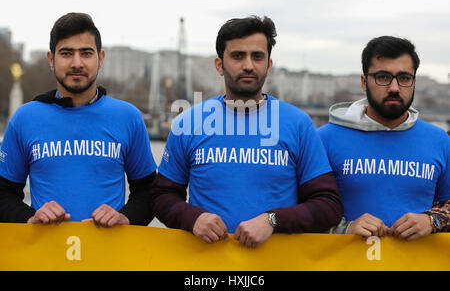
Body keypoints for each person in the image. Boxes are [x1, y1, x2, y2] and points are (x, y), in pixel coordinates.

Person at [151, 16, 343, 248]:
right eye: (237, 55)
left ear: (269, 65)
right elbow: (161, 196)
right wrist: (193, 218)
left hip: (276, 264)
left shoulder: (298, 124)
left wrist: (273, 220)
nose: (249, 65)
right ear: (219, 65)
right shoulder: (188, 123)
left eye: (258, 56)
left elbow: (328, 205)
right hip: (207, 268)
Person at [0, 13, 157, 227]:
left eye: (86, 53)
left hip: (109, 256)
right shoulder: (25, 118)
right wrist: (29, 218)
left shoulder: (128, 117)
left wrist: (125, 218)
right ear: (51, 59)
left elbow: (148, 191)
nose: (77, 63)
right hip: (44, 257)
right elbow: (4, 194)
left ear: (100, 59)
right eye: (66, 53)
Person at [319, 36, 450, 240]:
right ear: (364, 81)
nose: (394, 88)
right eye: (383, 77)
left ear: (414, 81)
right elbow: (301, 206)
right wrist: (345, 228)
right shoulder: (324, 139)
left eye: (404, 78)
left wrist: (432, 221)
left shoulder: (440, 141)